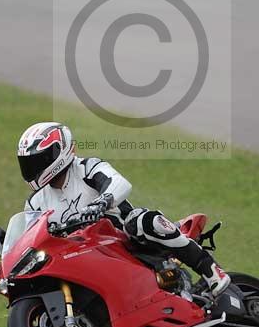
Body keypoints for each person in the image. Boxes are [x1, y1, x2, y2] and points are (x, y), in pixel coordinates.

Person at [17, 121, 230, 297]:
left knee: (142, 221)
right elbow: (31, 239)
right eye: (28, 163)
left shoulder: (86, 168)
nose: (33, 169)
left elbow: (120, 183)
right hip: (85, 256)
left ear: (58, 152)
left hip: (125, 239)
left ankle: (210, 270)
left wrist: (102, 202)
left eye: (38, 161)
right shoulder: (35, 203)